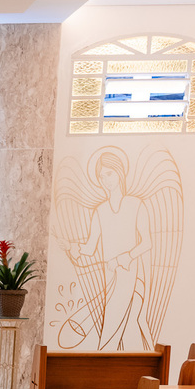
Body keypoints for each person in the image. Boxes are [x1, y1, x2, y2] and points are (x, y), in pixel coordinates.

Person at [67, 150, 153, 350]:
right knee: (115, 324)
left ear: (120, 173)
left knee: (124, 325)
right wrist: (73, 248)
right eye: (101, 176)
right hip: (111, 279)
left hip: (132, 276)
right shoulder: (100, 211)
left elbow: (147, 242)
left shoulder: (136, 205)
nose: (106, 180)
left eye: (110, 173)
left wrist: (127, 256)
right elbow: (89, 249)